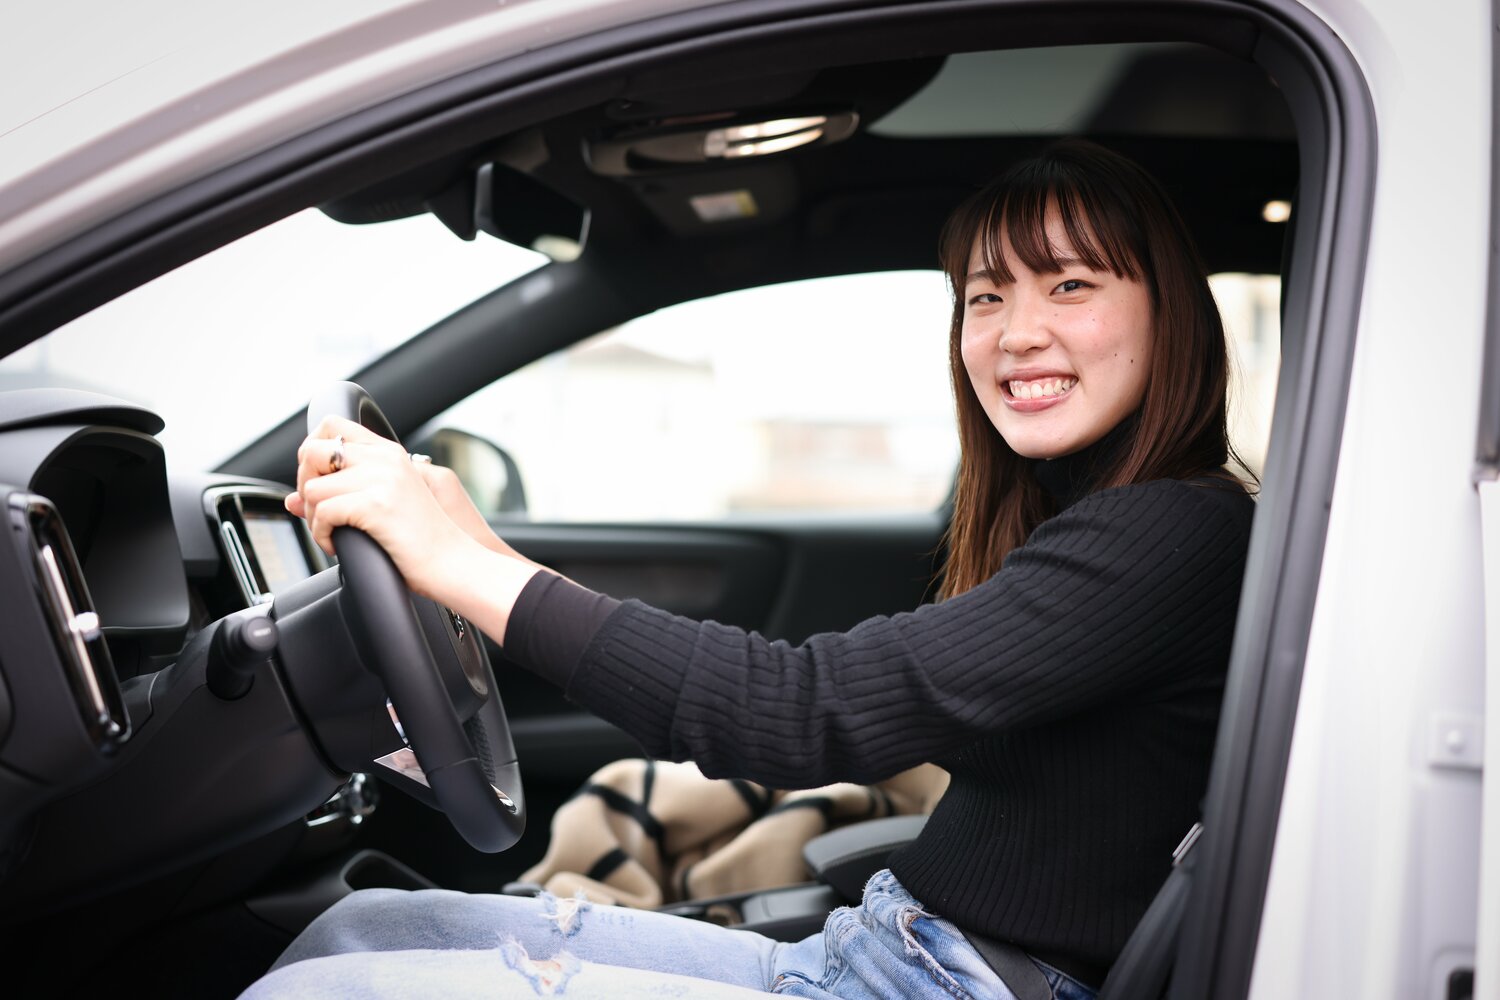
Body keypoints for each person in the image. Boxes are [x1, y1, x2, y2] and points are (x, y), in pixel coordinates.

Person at [245, 139, 1255, 1000]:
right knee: (366, 930)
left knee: (328, 992)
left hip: (930, 982)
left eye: (1071, 284)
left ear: (1168, 314)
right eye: (986, 295)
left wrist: (461, 568)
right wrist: (477, 547)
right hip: (878, 950)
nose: (1017, 330)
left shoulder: (1174, 531)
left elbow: (802, 710)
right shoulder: (1111, 520)